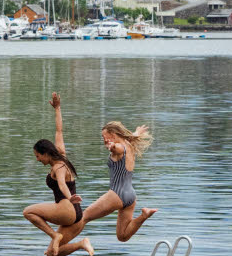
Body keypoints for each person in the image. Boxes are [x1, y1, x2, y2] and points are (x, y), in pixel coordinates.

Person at [54, 102, 158, 245]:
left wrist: (112, 146)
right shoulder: (129, 143)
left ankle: (59, 243)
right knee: (122, 236)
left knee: (83, 217)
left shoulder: (119, 147)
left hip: (117, 193)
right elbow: (130, 137)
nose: (104, 140)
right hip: (131, 196)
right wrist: (137, 132)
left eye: (106, 136)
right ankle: (144, 215)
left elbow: (117, 148)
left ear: (114, 135)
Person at [21, 93, 95, 256]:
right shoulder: (61, 154)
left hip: (68, 208)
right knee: (51, 254)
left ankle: (55, 236)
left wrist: (71, 198)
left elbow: (61, 185)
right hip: (75, 216)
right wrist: (57, 109)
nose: (37, 159)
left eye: (38, 156)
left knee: (28, 212)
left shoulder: (58, 166)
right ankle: (81, 244)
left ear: (45, 154)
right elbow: (59, 130)